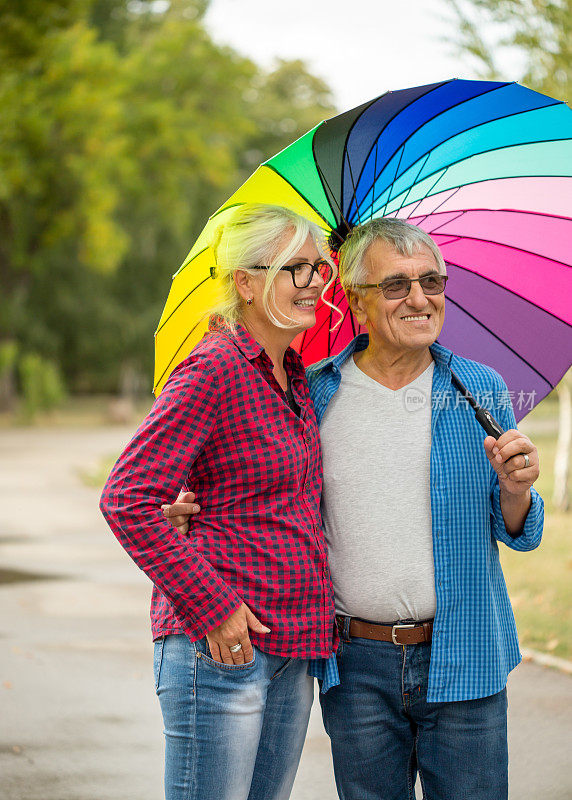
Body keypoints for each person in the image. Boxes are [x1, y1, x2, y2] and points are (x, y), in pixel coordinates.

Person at [166, 217, 543, 800]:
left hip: (466, 652)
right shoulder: (311, 390)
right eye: (396, 285)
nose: (420, 299)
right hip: (356, 664)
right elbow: (259, 482)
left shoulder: (480, 388)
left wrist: (517, 489)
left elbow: (519, 531)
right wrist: (190, 505)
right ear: (357, 306)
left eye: (433, 282)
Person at [99, 203, 340, 800]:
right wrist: (214, 606)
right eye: (294, 268)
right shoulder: (215, 368)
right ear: (247, 284)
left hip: (293, 643)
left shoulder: (293, 375)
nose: (313, 283)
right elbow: (127, 497)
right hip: (223, 647)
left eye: (319, 268)